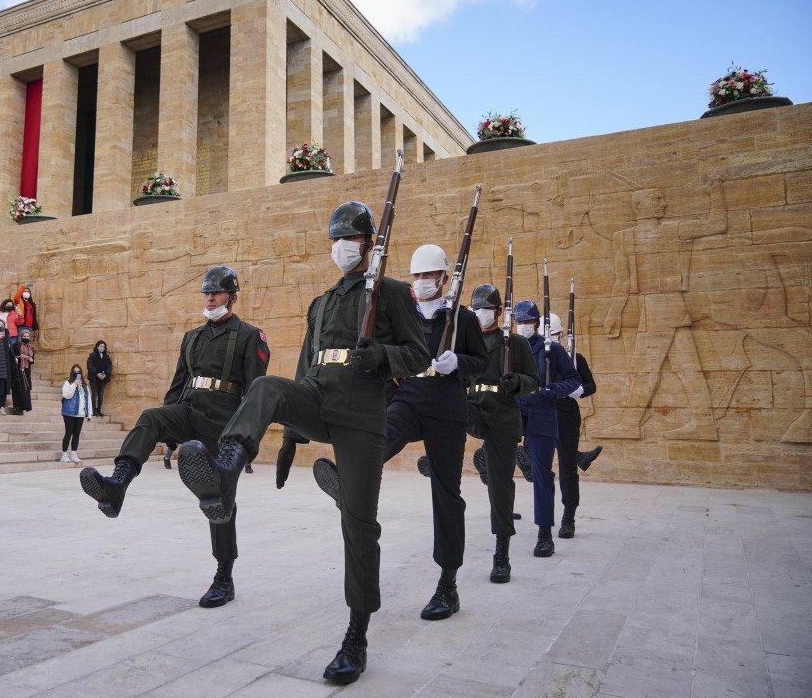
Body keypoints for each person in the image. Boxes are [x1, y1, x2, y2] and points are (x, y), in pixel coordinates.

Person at [176, 204, 428, 684]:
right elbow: (303, 369)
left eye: (349, 238)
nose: (341, 247)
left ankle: (357, 634)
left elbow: (419, 355)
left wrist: (384, 355)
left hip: (361, 417)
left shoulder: (393, 293)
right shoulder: (323, 301)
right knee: (268, 386)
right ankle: (226, 466)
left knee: (358, 525)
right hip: (318, 397)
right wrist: (291, 432)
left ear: (369, 242)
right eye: (335, 238)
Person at [311, 243, 488, 622]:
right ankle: (347, 481)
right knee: (380, 438)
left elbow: (482, 364)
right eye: (418, 275)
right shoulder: (401, 307)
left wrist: (458, 363)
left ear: (444, 278)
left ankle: (448, 583)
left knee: (446, 493)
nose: (423, 282)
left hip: (445, 407)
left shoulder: (463, 319)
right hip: (407, 396)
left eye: (430, 275)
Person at [80, 265, 271, 609]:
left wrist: (242, 444)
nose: (210, 297)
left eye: (217, 292)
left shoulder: (249, 336)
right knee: (152, 417)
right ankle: (117, 485)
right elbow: (178, 385)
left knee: (220, 502)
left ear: (233, 296)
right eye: (206, 292)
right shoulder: (192, 337)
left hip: (224, 422)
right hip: (190, 409)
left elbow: (254, 394)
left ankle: (223, 577)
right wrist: (169, 432)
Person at [423, 283, 540, 584]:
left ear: (499, 312)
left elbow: (533, 380)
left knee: (500, 486)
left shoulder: (515, 343)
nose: (481, 314)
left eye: (487, 309)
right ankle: (435, 455)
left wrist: (518, 382)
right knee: (447, 410)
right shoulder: (466, 339)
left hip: (502, 413)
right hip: (472, 406)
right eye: (477, 309)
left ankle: (501, 553)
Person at [514, 299, 581, 557]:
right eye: (519, 322)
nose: (523, 326)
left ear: (537, 322)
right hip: (516, 411)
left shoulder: (551, 349)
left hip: (542, 411)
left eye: (527, 321)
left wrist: (554, 390)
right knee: (499, 460)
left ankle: (544, 534)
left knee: (543, 473)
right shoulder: (511, 347)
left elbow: (573, 379)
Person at [547, 312, 600, 539]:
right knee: (532, 463)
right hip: (543, 412)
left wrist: (579, 390)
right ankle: (580, 456)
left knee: (567, 469)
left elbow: (591, 385)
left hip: (567, 413)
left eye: (554, 334)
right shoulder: (535, 356)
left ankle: (569, 516)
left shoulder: (575, 358)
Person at [60, 364, 91, 463]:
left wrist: (89, 413)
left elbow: (88, 399)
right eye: (75, 372)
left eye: (79, 372)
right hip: (69, 413)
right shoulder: (68, 383)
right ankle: (64, 454)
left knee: (76, 434)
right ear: (72, 373)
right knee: (68, 433)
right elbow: (67, 395)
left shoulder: (85, 386)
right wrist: (74, 384)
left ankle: (74, 453)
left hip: (80, 414)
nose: (77, 374)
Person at [9, 326, 33, 414]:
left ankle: (24, 407)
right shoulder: (16, 345)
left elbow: (32, 359)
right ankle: (17, 407)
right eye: (24, 336)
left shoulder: (31, 347)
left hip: (26, 370)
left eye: (27, 337)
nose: (26, 338)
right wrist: (24, 357)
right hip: (18, 369)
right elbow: (14, 356)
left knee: (26, 389)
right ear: (21, 336)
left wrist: (30, 359)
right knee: (18, 388)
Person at [87, 340, 112, 417]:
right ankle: (93, 410)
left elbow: (109, 366)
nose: (102, 348)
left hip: (103, 379)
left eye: (104, 347)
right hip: (94, 378)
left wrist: (105, 374)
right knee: (95, 395)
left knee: (101, 395)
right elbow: (90, 365)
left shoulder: (106, 356)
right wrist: (97, 373)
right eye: (101, 346)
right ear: (97, 347)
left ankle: (99, 410)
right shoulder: (93, 355)